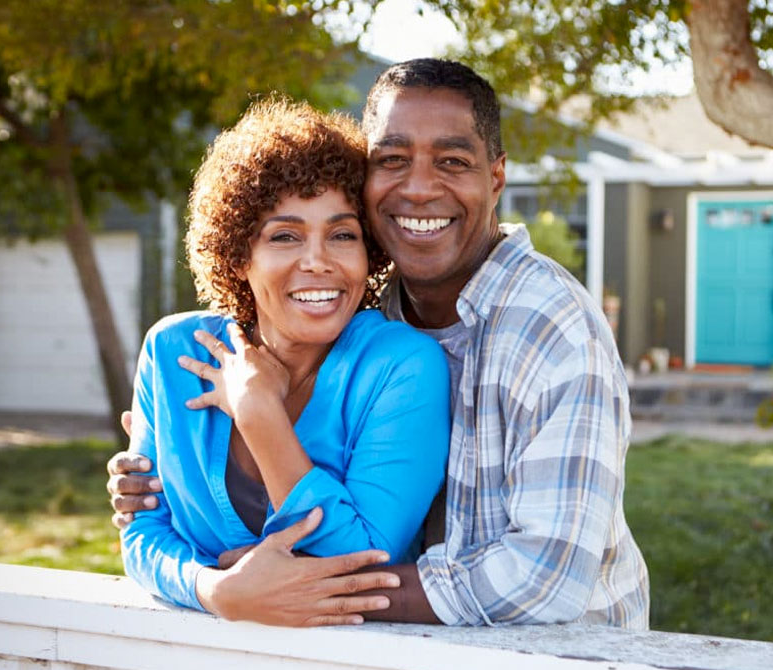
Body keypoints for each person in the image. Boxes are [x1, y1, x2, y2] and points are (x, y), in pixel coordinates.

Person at [108, 59, 649, 629]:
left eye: (452, 161)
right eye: (391, 160)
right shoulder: (378, 308)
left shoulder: (552, 330)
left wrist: (292, 588)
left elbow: (547, 578)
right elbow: (147, 526)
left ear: (496, 178)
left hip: (569, 657)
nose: (417, 188)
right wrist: (216, 588)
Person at [119, 96, 451, 622]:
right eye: (285, 236)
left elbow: (361, 562)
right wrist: (215, 589)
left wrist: (257, 411)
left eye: (343, 234)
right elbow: (141, 530)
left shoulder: (402, 367)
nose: (318, 261)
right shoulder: (172, 353)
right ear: (238, 255)